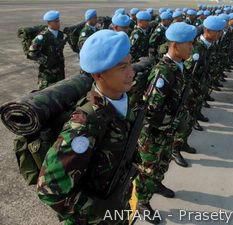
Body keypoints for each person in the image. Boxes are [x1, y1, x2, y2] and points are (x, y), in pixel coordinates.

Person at [37, 30, 137, 225]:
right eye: (122, 67)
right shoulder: (85, 123)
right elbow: (49, 190)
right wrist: (100, 210)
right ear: (99, 74)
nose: (131, 72)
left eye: (130, 63)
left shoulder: (122, 101)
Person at [135, 22, 197, 224]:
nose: (192, 48)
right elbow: (151, 110)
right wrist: (171, 123)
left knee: (162, 164)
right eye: (189, 44)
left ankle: (157, 184)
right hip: (154, 134)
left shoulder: (179, 66)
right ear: (176, 45)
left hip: (167, 132)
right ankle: (143, 202)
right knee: (148, 169)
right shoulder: (164, 72)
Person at [28, 10, 66, 90]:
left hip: (60, 72)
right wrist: (46, 61)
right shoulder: (42, 37)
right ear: (49, 23)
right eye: (56, 22)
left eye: (58, 21)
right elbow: (31, 53)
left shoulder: (60, 34)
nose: (58, 23)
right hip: (47, 74)